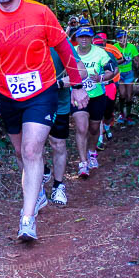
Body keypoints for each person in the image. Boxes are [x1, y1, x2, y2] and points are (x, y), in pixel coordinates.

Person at [0, 0, 88, 241]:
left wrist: (77, 85)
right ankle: (39, 193)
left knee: (33, 150)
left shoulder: (40, 13)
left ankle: (27, 220)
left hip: (43, 92)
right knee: (21, 153)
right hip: (7, 96)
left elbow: (64, 49)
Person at [41, 42, 84, 207]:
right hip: (32, 102)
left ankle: (58, 185)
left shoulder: (60, 41)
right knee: (33, 143)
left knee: (58, 143)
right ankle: (41, 174)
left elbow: (81, 71)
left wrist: (57, 84)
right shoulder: (24, 36)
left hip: (59, 102)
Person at [71, 26, 117, 178]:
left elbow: (113, 70)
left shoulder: (100, 53)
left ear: (91, 38)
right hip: (78, 96)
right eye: (81, 37)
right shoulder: (70, 51)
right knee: (81, 127)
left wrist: (101, 78)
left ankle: (92, 152)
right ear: (76, 38)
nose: (84, 39)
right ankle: (83, 163)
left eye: (87, 37)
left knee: (94, 128)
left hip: (97, 95)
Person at [94, 32, 122, 149]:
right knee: (98, 112)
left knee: (108, 112)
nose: (100, 47)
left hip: (110, 86)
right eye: (97, 45)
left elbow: (116, 69)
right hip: (98, 87)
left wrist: (108, 77)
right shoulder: (92, 55)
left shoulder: (109, 54)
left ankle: (106, 126)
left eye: (101, 45)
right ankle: (100, 139)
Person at [114, 29, 139, 126]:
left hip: (129, 73)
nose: (123, 40)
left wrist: (137, 62)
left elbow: (137, 58)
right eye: (120, 38)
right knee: (122, 94)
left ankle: (128, 116)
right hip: (119, 74)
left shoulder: (131, 47)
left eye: (124, 38)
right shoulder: (115, 48)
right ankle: (121, 114)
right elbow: (111, 61)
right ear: (117, 39)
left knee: (129, 96)